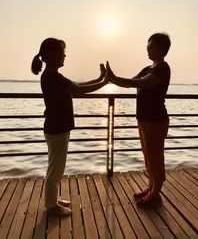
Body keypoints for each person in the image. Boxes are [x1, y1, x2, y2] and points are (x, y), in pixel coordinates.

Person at [31, 37, 109, 216]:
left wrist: (99, 78)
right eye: (61, 52)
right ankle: (51, 206)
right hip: (56, 127)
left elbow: (77, 86)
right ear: (51, 55)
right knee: (56, 167)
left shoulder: (54, 76)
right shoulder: (52, 77)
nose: (64, 55)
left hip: (58, 127)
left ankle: (53, 199)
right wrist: (104, 82)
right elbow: (79, 90)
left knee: (57, 166)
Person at [106, 33, 171, 208]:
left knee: (156, 156)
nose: (147, 49)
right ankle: (150, 188)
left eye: (151, 47)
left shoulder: (163, 69)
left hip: (156, 120)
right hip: (143, 119)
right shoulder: (146, 68)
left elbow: (142, 84)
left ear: (162, 49)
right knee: (148, 155)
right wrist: (112, 78)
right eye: (147, 46)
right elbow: (130, 82)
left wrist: (114, 78)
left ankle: (156, 195)